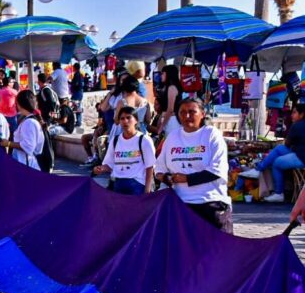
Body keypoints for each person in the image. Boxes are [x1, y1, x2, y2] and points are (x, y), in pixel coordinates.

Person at [156, 97, 232, 233]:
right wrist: (168, 178)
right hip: (180, 205)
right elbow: (159, 169)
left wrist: (186, 179)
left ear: (202, 114)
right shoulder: (172, 137)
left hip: (211, 203)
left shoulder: (211, 135)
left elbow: (216, 170)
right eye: (182, 112)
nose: (187, 116)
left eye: (192, 112)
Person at [241, 102, 305, 202]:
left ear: (302, 114)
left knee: (277, 162)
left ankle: (279, 193)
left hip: (301, 157)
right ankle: (258, 170)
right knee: (279, 149)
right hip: (299, 153)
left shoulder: (297, 126)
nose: (292, 115)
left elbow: (287, 143)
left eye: (294, 112)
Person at [93, 106, 155, 195]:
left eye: (128, 118)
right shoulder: (115, 140)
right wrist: (100, 169)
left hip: (137, 185)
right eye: (122, 118)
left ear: (136, 120)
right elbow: (109, 164)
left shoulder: (144, 140)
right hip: (117, 185)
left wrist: (147, 190)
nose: (125, 121)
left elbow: (150, 167)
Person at [0, 89, 44, 169]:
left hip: (26, 165)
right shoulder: (30, 120)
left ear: (19, 104)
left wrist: (8, 143)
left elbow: (28, 146)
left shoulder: (29, 123)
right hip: (24, 163)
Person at [157, 64, 183, 138]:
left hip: (172, 121)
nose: (161, 75)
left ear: (168, 74)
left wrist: (162, 126)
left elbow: (170, 109)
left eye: (163, 73)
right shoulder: (168, 87)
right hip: (169, 119)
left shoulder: (172, 88)